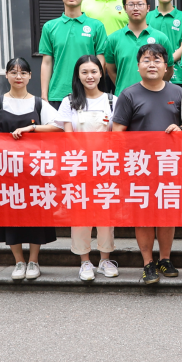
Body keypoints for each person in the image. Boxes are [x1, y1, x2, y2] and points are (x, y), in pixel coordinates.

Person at [0, 57, 62, 281]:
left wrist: (33, 129)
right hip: (5, 171)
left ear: (30, 76)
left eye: (23, 72)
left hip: (34, 171)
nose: (18, 76)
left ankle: (34, 260)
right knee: (10, 215)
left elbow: (58, 127)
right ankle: (19, 261)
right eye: (14, 72)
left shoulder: (39, 104)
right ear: (6, 75)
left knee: (36, 215)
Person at [110, 43, 182, 285]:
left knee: (167, 215)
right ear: (138, 66)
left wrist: (180, 129)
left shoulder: (178, 93)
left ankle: (165, 259)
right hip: (139, 166)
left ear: (166, 66)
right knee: (143, 216)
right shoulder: (129, 94)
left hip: (169, 165)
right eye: (146, 60)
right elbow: (117, 133)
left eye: (157, 60)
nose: (152, 64)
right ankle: (147, 263)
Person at [55, 54, 119, 282]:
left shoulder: (112, 101)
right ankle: (84, 261)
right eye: (84, 72)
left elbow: (117, 136)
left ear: (101, 74)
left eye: (94, 71)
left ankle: (105, 259)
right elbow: (68, 136)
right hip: (79, 166)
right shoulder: (69, 101)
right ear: (78, 75)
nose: (89, 76)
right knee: (80, 215)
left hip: (105, 166)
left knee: (106, 216)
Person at [39, 0, 107, 104]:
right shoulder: (49, 27)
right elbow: (46, 62)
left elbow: (101, 61)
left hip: (89, 94)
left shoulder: (96, 26)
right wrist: (44, 95)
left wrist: (97, 90)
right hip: (57, 94)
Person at [103, 0, 162, 95]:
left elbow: (167, 69)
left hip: (154, 96)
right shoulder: (113, 39)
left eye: (140, 4)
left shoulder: (160, 38)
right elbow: (111, 71)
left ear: (148, 8)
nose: (135, 8)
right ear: (125, 8)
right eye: (131, 5)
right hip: (123, 96)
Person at [146, 0, 182, 88]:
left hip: (177, 74)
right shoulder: (147, 16)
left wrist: (166, 61)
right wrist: (157, 63)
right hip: (150, 70)